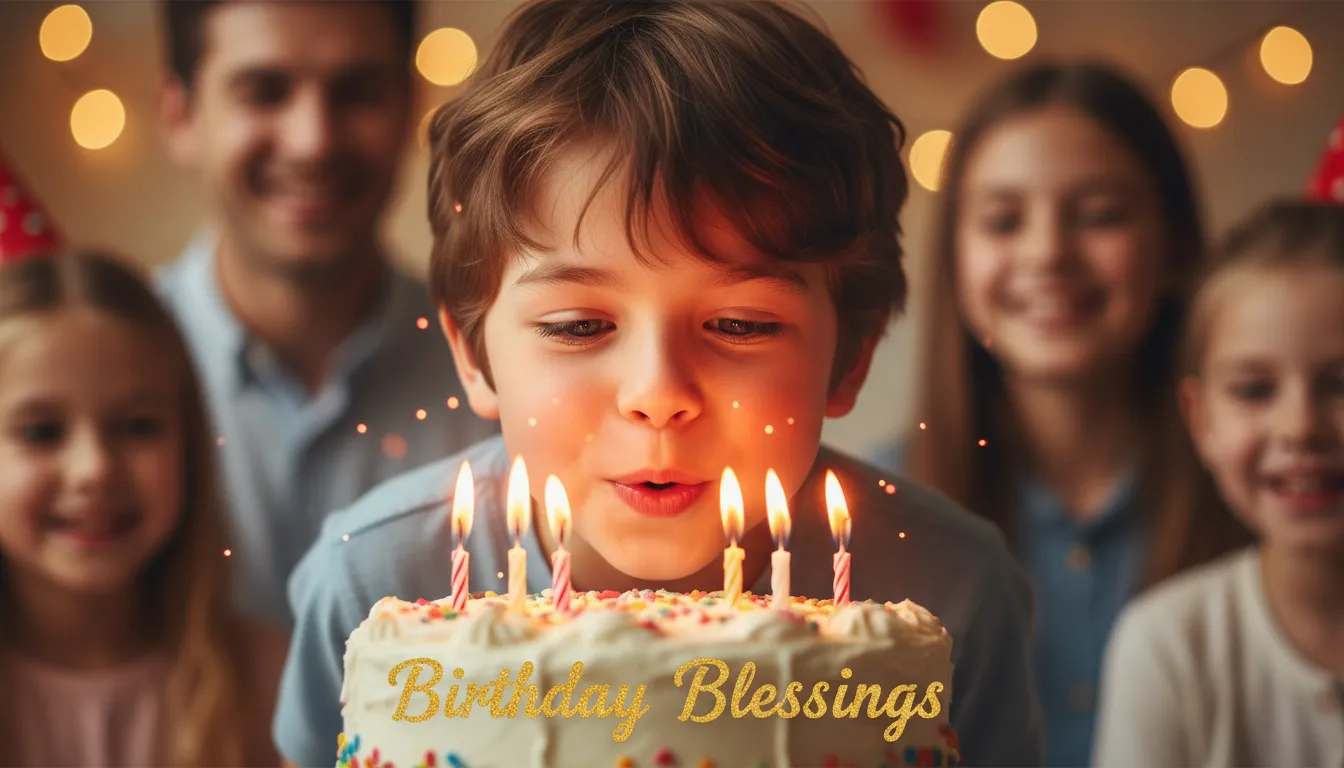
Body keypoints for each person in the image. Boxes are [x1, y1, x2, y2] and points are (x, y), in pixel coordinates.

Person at [275, 1, 1044, 766]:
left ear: (851, 356)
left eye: (740, 324)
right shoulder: (375, 583)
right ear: (473, 356)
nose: (658, 393)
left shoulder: (953, 592)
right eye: (578, 325)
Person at [881, 62, 1251, 766]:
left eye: (1100, 215)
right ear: (954, 262)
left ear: (1175, 247)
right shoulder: (874, 512)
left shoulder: (1269, 498)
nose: (1048, 252)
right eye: (1004, 221)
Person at [155, 1, 498, 630]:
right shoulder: (85, 384)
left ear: (410, 108)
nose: (313, 140)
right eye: (264, 91)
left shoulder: (501, 367)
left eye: (357, 91)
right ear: (180, 115)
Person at [0, 250, 286, 766]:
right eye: (41, 432)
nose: (94, 469)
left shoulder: (282, 686)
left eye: (138, 426)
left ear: (188, 445)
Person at [1094, 200, 1344, 767]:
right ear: (1200, 419)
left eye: (1341, 384)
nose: (1301, 426)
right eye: (1255, 390)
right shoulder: (1168, 645)